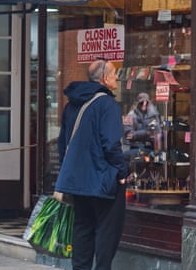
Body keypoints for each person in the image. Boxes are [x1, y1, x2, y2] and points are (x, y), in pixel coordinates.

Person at [55, 59, 129, 270]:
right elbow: (111, 144)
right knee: (107, 231)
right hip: (104, 179)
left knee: (82, 227)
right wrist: (122, 171)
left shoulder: (72, 104)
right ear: (105, 78)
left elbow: (63, 143)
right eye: (114, 74)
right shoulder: (108, 104)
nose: (117, 78)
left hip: (77, 180)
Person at [122, 92, 162, 164]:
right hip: (135, 147)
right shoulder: (131, 115)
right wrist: (146, 133)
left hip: (151, 148)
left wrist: (154, 135)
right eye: (142, 102)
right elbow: (128, 135)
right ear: (137, 103)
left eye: (146, 102)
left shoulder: (153, 115)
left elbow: (158, 133)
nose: (144, 104)